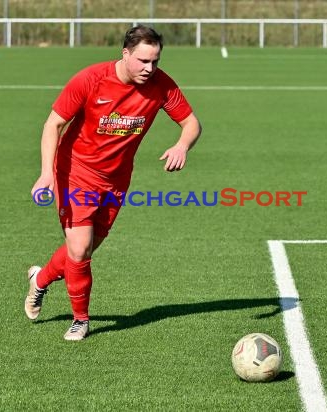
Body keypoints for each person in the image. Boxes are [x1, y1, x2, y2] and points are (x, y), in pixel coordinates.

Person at [25, 25, 202, 341]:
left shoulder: (160, 85)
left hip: (116, 181)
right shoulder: (91, 79)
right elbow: (54, 123)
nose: (149, 69)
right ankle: (81, 319)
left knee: (83, 250)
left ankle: (40, 280)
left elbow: (191, 123)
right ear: (125, 54)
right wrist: (46, 173)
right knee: (79, 250)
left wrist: (182, 145)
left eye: (155, 61)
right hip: (75, 172)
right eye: (143, 61)